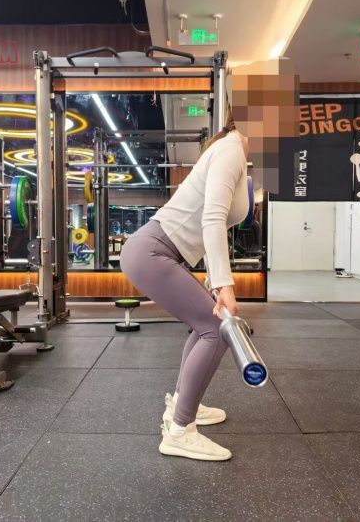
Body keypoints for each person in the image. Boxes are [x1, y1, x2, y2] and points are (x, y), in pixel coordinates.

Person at [120, 114, 249, 461]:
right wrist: (224, 284)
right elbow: (212, 218)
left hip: (161, 252)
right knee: (216, 329)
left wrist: (211, 278)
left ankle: (182, 403)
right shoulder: (230, 150)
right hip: (152, 251)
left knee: (204, 323)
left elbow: (209, 223)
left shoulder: (234, 152)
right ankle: (180, 430)